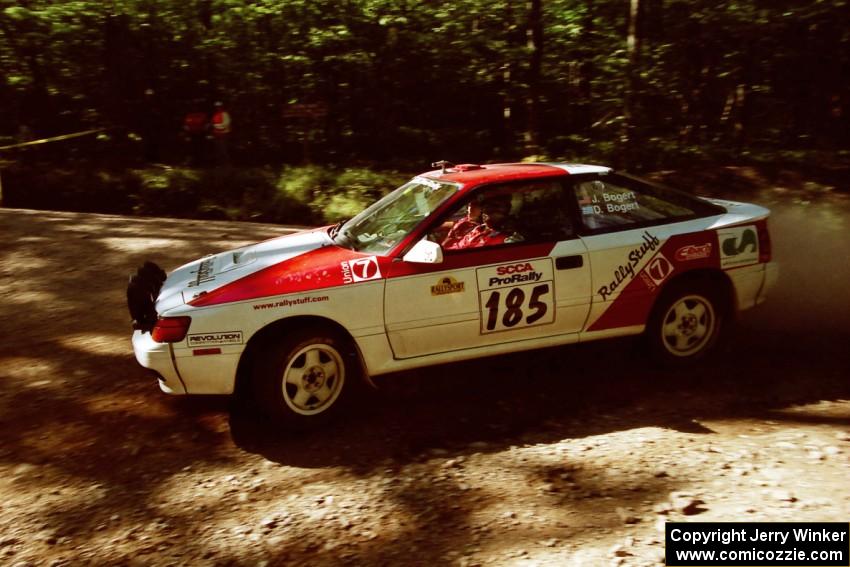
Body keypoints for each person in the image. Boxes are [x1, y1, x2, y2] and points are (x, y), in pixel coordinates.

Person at [453, 195, 524, 249]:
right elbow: (459, 246)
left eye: (495, 209)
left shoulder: (509, 239)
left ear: (505, 212)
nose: (486, 212)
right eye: (486, 208)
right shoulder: (478, 229)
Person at [183, 101, 208, 166]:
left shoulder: (202, 115)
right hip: (191, 135)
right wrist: (187, 135)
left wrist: (204, 132)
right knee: (191, 149)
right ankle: (191, 163)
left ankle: (201, 163)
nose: (195, 108)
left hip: (200, 135)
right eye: (194, 106)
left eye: (196, 106)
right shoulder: (189, 116)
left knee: (200, 149)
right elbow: (186, 125)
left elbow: (206, 125)